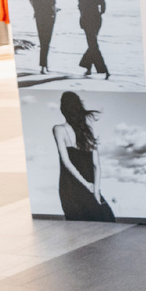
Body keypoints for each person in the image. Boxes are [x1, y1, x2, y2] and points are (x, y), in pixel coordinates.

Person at [53, 91, 115, 222]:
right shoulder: (87, 132)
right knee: (105, 220)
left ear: (63, 109)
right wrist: (96, 190)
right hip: (91, 187)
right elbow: (96, 166)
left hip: (70, 187)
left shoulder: (58, 129)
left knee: (78, 227)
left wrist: (87, 186)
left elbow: (66, 162)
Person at [76, 0, 109, 80]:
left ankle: (103, 69)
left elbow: (81, 6)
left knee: (92, 44)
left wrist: (82, 18)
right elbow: (102, 3)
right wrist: (100, 13)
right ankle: (88, 66)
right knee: (92, 43)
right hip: (96, 19)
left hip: (87, 19)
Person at [28, 0, 56, 73]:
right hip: (49, 13)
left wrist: (36, 9)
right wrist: (54, 10)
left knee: (42, 39)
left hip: (39, 14)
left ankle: (43, 66)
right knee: (47, 40)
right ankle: (44, 65)